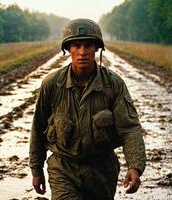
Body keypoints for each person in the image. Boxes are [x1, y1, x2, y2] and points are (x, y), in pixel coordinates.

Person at [29, 18, 146, 200]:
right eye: (76, 45)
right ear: (68, 49)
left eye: (88, 45)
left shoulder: (113, 84)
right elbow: (37, 128)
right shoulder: (52, 84)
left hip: (101, 169)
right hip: (63, 167)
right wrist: (36, 169)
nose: (82, 52)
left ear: (97, 48)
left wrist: (135, 166)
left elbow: (129, 128)